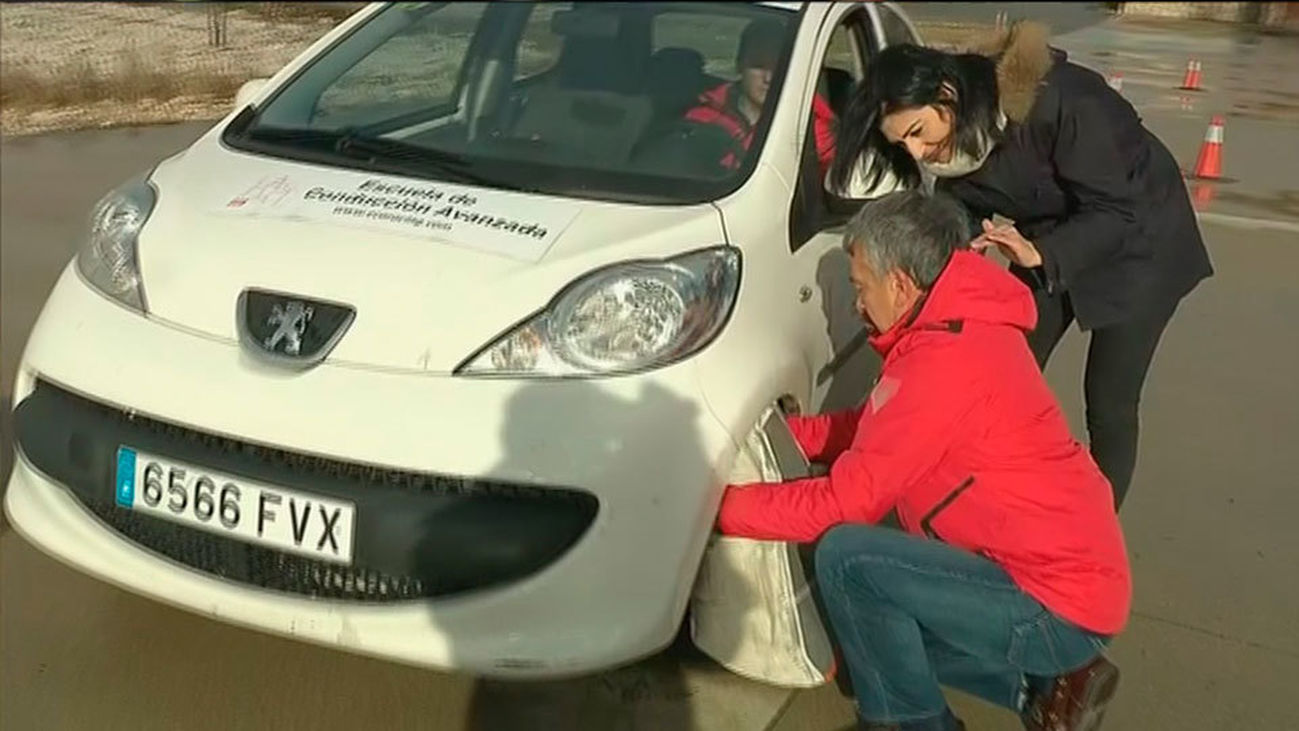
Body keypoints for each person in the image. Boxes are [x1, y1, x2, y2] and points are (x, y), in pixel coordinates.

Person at [717, 190, 1132, 731]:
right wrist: (787, 437)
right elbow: (876, 427)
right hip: (1065, 584)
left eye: (860, 287)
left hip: (1055, 605)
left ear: (899, 284)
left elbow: (846, 504)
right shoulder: (954, 326)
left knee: (848, 560)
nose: (856, 306)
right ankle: (1043, 689)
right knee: (863, 644)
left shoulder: (943, 361)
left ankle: (913, 723)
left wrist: (716, 507)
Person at [827, 22, 1214, 509]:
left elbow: (1119, 209)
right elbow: (959, 207)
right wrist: (952, 252)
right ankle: (1001, 496)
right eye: (903, 145)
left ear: (947, 95)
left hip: (1141, 243)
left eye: (918, 133)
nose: (918, 153)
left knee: (1109, 399)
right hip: (1046, 236)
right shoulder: (956, 143)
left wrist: (1042, 255)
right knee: (1001, 366)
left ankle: (1094, 525)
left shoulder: (1066, 102)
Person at [686, 17, 837, 172]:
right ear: (739, 65)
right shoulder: (703, 117)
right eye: (758, 66)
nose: (768, 78)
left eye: (777, 67)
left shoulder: (811, 128)